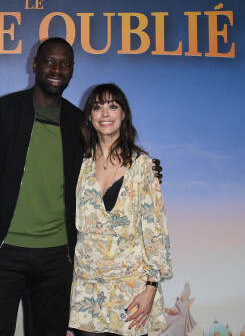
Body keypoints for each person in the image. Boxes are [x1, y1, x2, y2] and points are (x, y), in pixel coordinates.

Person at [0, 38, 162, 336]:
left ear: (73, 70)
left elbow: (108, 155)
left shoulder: (79, 124)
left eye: (65, 63)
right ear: (35, 64)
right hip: (1, 253)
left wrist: (145, 166)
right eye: (49, 61)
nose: (57, 69)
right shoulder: (1, 113)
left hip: (57, 259)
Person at [68, 83, 172, 336]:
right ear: (89, 116)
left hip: (132, 288)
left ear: (123, 114)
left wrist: (151, 287)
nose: (105, 114)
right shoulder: (77, 164)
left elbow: (155, 231)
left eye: (113, 107)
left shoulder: (142, 166)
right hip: (86, 289)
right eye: (97, 107)